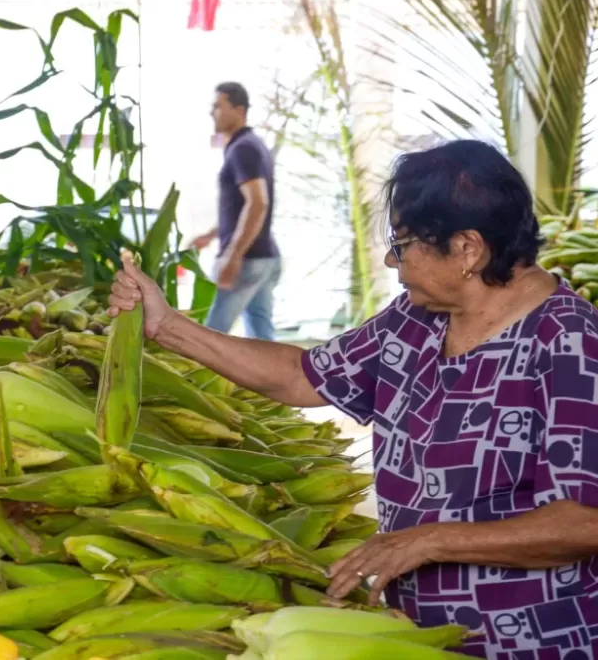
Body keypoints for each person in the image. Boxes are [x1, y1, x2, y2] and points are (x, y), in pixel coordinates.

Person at [108, 139, 598, 659]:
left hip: (529, 641)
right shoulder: (415, 319)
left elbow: (583, 522)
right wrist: (167, 326)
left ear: (467, 249)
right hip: (415, 638)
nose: (390, 259)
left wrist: (429, 540)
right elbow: (299, 376)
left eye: (402, 243)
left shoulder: (569, 341)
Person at [190, 81, 280, 340]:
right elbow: (243, 208)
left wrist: (233, 255)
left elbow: (258, 203)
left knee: (209, 338)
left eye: (218, 106)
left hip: (248, 260)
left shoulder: (244, 149)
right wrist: (212, 234)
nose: (212, 112)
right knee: (261, 338)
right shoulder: (250, 144)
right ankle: (271, 370)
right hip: (263, 257)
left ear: (239, 110)